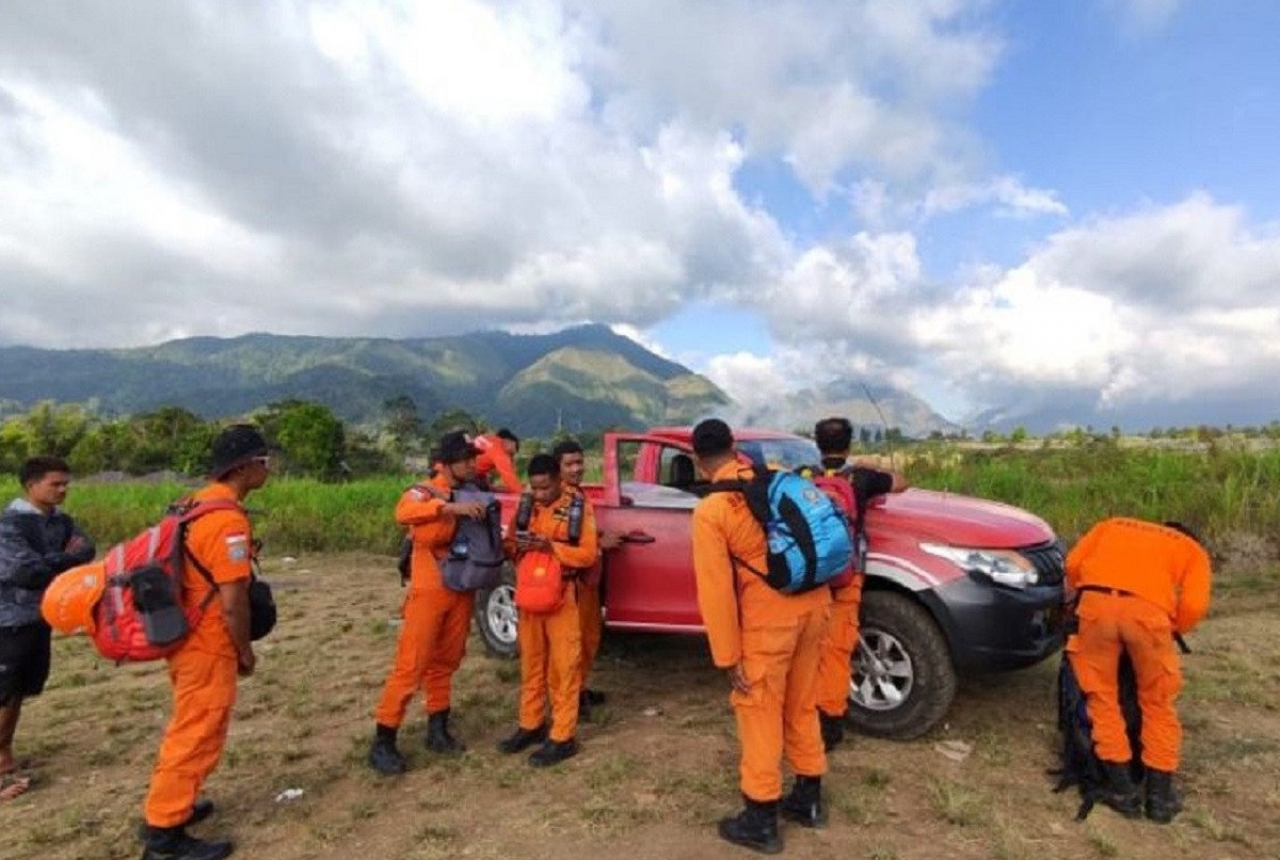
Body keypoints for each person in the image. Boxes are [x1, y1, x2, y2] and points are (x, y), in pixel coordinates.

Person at [689, 419, 832, 853]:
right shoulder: (770, 478)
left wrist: (727, 657)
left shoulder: (712, 511)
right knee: (802, 702)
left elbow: (715, 591)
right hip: (815, 604)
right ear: (735, 447)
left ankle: (761, 817)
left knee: (759, 711)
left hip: (770, 623)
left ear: (696, 460)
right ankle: (808, 798)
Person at [138, 425, 270, 860]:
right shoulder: (227, 521)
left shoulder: (193, 504)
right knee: (197, 732)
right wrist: (244, 652)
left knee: (189, 725)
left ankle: (174, 805)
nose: (268, 469)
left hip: (183, 634)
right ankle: (163, 835)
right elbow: (233, 604)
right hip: (207, 642)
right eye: (263, 462)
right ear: (245, 467)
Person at [1065, 517, 1212, 824]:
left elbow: (1073, 564)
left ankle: (1121, 790)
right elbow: (1195, 605)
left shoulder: (1112, 525)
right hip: (1148, 615)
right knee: (1157, 702)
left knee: (1101, 697)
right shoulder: (1191, 549)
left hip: (1095, 607)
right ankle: (1159, 799)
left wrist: (1091, 592)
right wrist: (1170, 628)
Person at [368, 431, 489, 774]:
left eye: (473, 457)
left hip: (461, 587)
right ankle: (384, 739)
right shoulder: (425, 490)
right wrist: (448, 506)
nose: (472, 463)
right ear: (448, 463)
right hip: (429, 591)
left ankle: (438, 728)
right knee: (412, 664)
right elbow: (403, 511)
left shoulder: (476, 491)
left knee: (447, 661)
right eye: (465, 458)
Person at [803, 417, 907, 751]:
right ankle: (830, 723)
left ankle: (802, 712)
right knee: (836, 648)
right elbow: (900, 483)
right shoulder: (862, 477)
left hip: (809, 577)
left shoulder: (804, 476)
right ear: (848, 445)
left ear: (817, 444)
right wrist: (870, 467)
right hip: (846, 576)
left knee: (807, 647)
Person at [0, 456, 95, 801]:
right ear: (32, 485)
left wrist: (51, 562)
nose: (63, 489)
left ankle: (5, 753)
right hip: (9, 618)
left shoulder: (59, 521)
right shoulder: (10, 526)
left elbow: (87, 548)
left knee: (20, 689)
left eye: (65, 483)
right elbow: (26, 572)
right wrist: (63, 560)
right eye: (55, 484)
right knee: (4, 690)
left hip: (40, 615)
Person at [496, 453, 597, 767]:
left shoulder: (578, 508)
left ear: (558, 480)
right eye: (535, 488)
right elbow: (510, 543)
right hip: (528, 595)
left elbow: (587, 555)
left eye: (545, 488)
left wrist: (551, 547)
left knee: (564, 668)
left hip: (562, 596)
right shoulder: (526, 507)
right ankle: (531, 724)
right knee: (532, 665)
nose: (539, 494)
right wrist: (515, 545)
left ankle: (563, 736)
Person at [550, 439, 619, 719]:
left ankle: (578, 688)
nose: (577, 468)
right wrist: (600, 546)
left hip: (587, 581)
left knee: (589, 637)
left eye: (579, 462)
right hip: (570, 581)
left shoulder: (580, 495)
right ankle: (566, 701)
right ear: (558, 468)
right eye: (570, 464)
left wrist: (600, 538)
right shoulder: (558, 500)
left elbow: (580, 534)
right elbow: (561, 542)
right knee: (571, 644)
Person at [473, 428, 523, 493]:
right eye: (511, 454)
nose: (511, 457)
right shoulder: (500, 452)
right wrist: (523, 493)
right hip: (469, 474)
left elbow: (480, 460)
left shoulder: (488, 438)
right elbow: (510, 479)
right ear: (509, 442)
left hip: (471, 470)